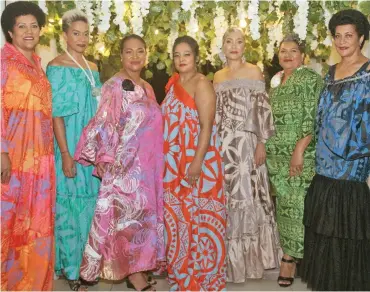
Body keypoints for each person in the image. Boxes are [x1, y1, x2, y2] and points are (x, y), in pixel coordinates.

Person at [74, 34, 164, 292]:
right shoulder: (115, 85)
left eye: (139, 51)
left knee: (142, 222)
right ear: (121, 56)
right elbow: (106, 121)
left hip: (147, 167)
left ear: (146, 55)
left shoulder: (147, 87)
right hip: (124, 166)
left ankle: (138, 268)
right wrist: (104, 157)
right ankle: (128, 277)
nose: (134, 57)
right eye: (128, 52)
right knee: (122, 223)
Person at [301, 9, 370, 291]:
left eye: (349, 36)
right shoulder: (330, 73)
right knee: (324, 229)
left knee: (347, 231)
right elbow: (321, 116)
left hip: (351, 165)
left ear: (361, 38)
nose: (342, 42)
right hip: (324, 163)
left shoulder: (368, 73)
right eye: (338, 36)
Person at [214, 27, 282, 283]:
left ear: (245, 46)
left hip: (249, 145)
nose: (234, 46)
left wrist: (261, 143)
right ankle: (231, 262)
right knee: (230, 198)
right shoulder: (218, 76)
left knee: (252, 196)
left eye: (239, 41)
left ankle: (255, 262)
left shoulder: (253, 71)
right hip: (225, 147)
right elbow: (217, 115)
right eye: (229, 41)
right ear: (223, 45)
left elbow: (262, 110)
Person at [162, 36, 226, 291]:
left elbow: (207, 126)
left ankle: (201, 278)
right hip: (173, 163)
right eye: (177, 55)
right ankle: (181, 274)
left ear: (196, 57)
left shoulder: (202, 84)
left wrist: (197, 163)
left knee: (199, 216)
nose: (181, 60)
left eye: (186, 54)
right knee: (178, 218)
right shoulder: (173, 83)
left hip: (198, 160)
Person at [0, 2, 56, 290]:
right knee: (11, 223)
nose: (29, 31)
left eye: (34, 25)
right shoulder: (3, 63)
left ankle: (34, 284)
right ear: (10, 31)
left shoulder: (37, 64)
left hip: (42, 159)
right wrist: (2, 152)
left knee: (38, 223)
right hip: (15, 157)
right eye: (22, 25)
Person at [46, 9, 101, 291]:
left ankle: (87, 267)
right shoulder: (56, 66)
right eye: (76, 33)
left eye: (85, 34)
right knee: (69, 208)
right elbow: (56, 114)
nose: (81, 39)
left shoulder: (93, 68)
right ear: (65, 35)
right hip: (69, 147)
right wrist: (66, 154)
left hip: (92, 150)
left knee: (90, 207)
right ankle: (70, 271)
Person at [265, 34, 323, 287]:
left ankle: (290, 260)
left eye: (293, 51)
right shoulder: (276, 81)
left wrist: (299, 148)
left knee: (297, 208)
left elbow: (316, 115)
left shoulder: (310, 78)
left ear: (303, 56)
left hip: (300, 155)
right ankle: (294, 256)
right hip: (276, 157)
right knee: (285, 211)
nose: (287, 55)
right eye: (283, 51)